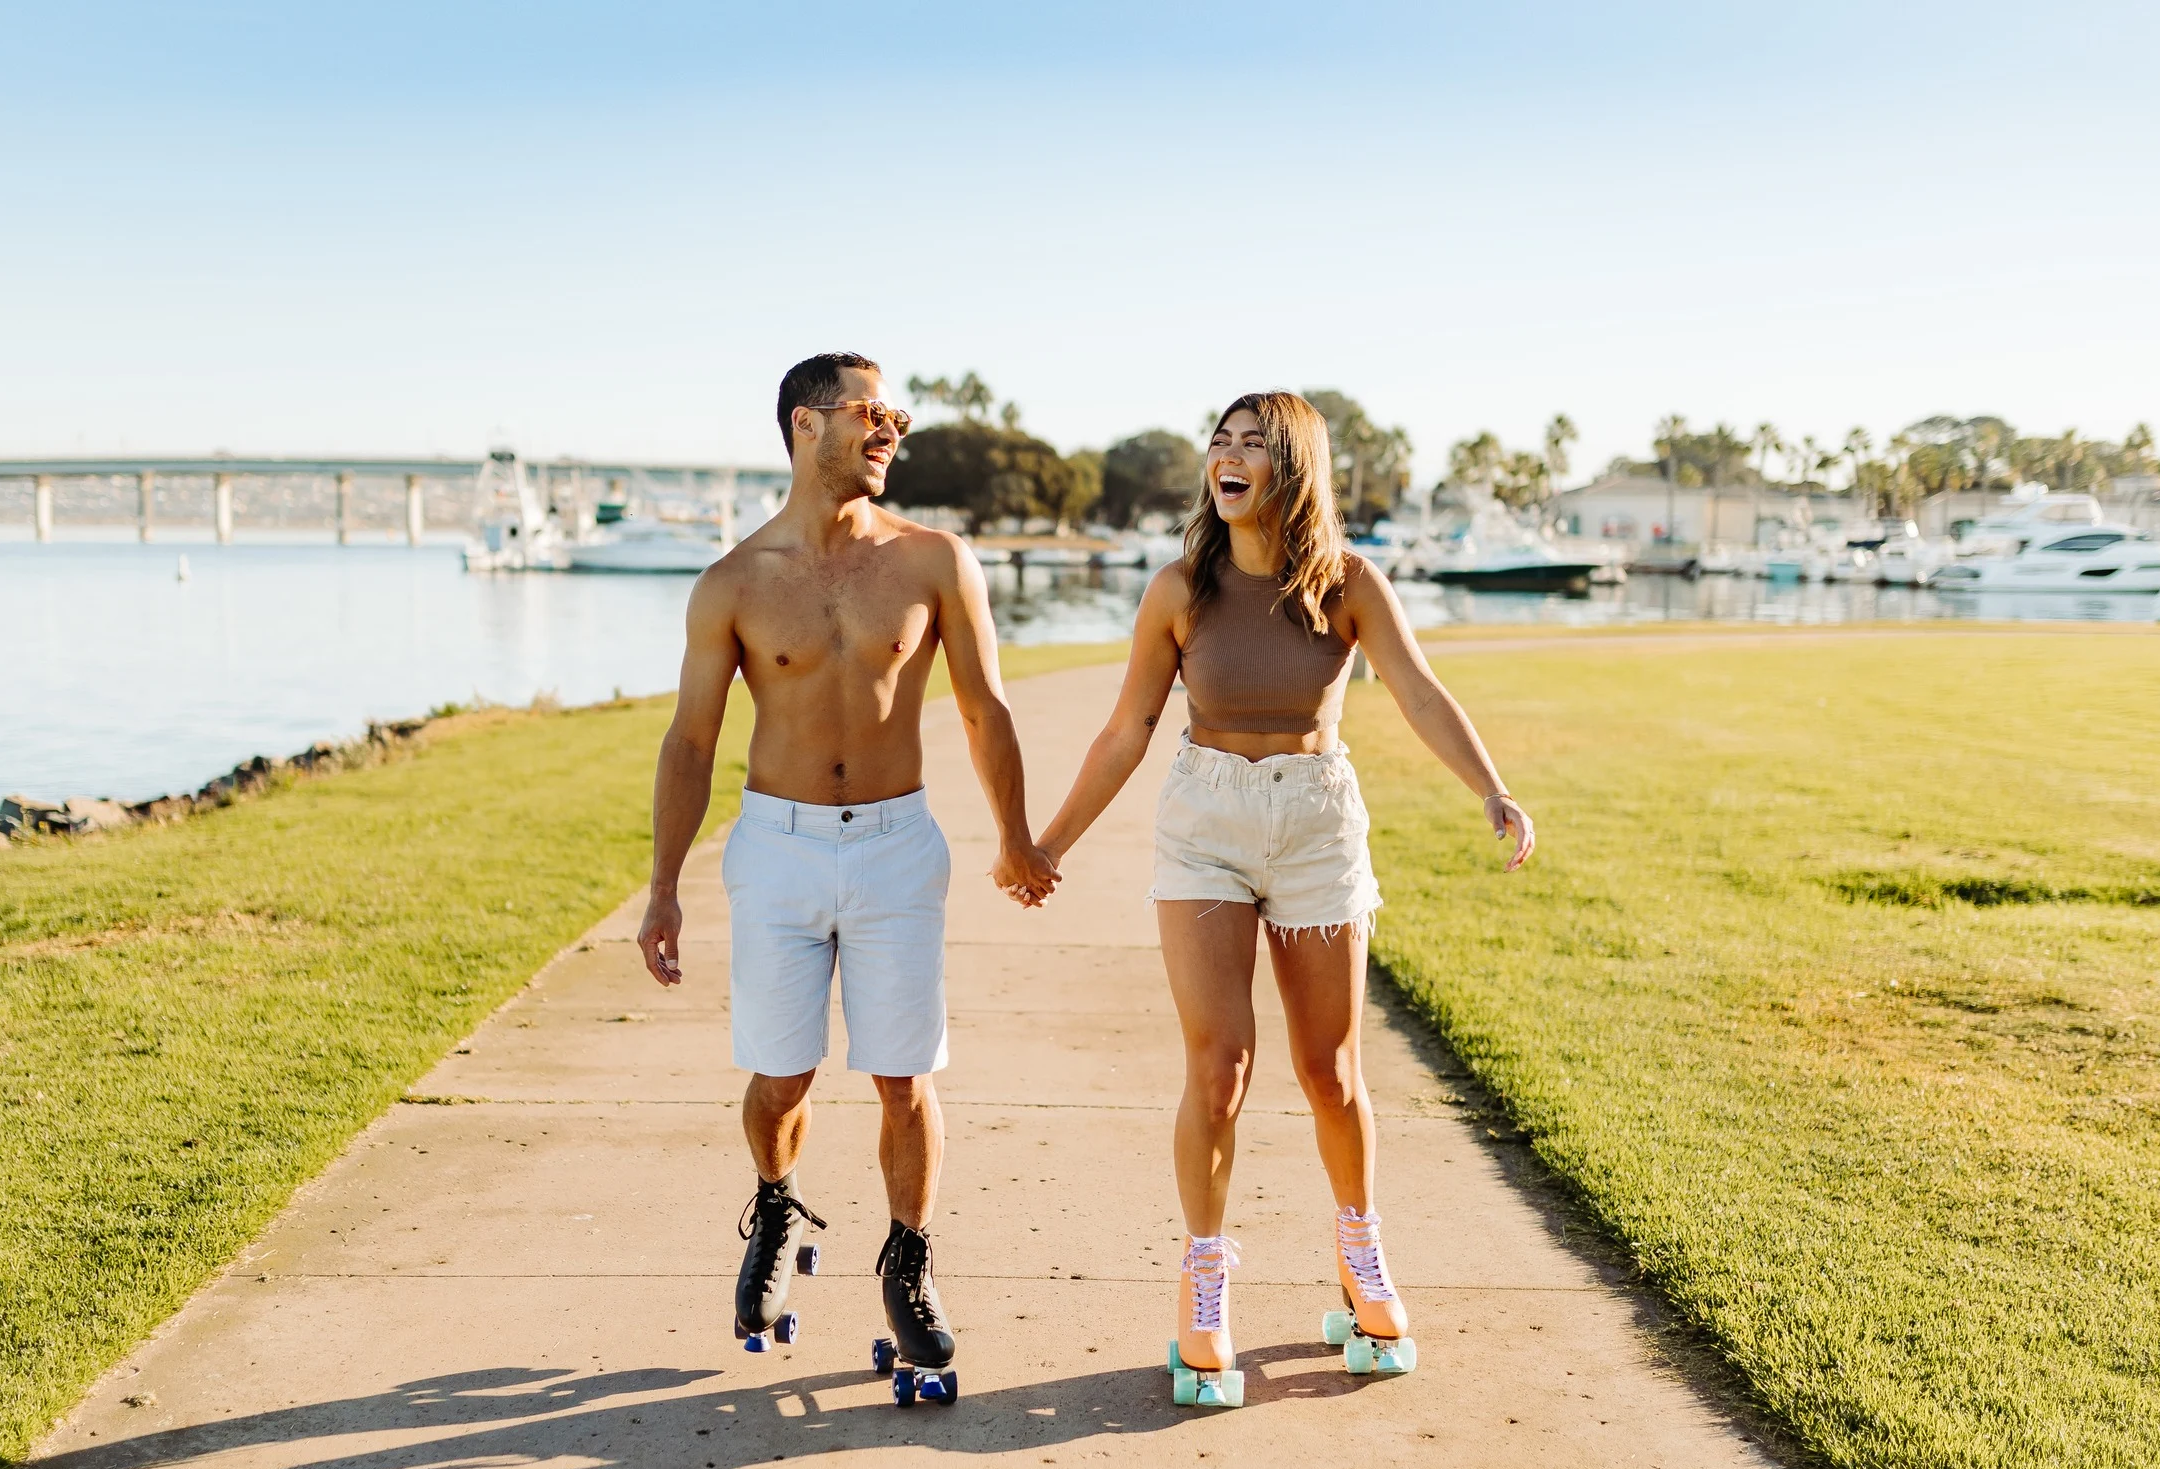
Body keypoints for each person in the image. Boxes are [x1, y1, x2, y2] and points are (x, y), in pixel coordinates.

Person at [1021, 391, 1535, 1393]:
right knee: (1220, 1069)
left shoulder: (1346, 583)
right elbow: (1127, 729)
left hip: (1315, 826)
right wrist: (1047, 844)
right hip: (1204, 822)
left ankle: (1359, 1253)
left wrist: (1492, 788)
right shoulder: (1178, 589)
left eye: (1254, 443)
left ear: (1293, 469)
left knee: (1330, 1070)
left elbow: (1419, 690)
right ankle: (1205, 1276)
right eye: (1221, 440)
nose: (1230, 456)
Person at [640, 352, 1058, 1393]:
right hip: (776, 847)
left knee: (903, 1075)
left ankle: (909, 1261)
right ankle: (775, 1205)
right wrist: (662, 889)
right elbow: (691, 743)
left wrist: (1014, 834)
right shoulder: (733, 582)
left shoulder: (933, 561)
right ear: (804, 425)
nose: (891, 433)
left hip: (894, 845)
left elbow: (984, 707)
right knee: (781, 1075)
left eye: (897, 416)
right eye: (873, 414)